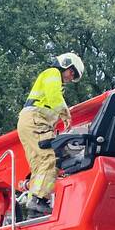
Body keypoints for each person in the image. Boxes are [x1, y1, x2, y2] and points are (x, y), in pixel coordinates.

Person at [16, 52, 85, 219]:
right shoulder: (52, 73)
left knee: (40, 165)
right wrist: (65, 114)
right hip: (35, 121)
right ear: (66, 65)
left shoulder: (48, 77)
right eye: (72, 72)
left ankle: (35, 207)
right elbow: (54, 96)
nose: (70, 77)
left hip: (29, 122)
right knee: (50, 159)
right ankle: (38, 200)